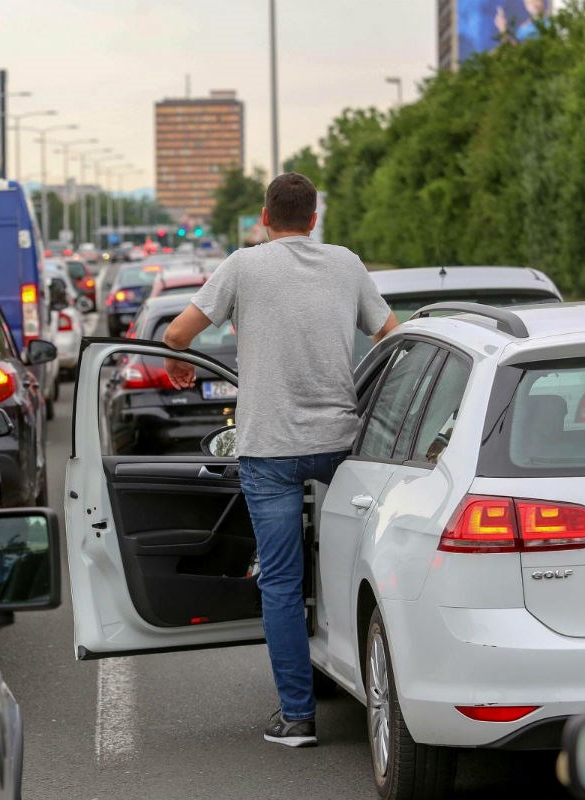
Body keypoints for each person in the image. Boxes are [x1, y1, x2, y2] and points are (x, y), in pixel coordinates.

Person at [162, 173, 398, 748]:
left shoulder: (243, 265)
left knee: (282, 583)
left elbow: (176, 332)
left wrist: (180, 360)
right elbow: (393, 335)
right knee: (361, 565)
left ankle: (297, 717)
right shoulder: (345, 263)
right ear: (314, 219)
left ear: (264, 218)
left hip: (268, 449)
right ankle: (360, 671)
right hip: (341, 445)